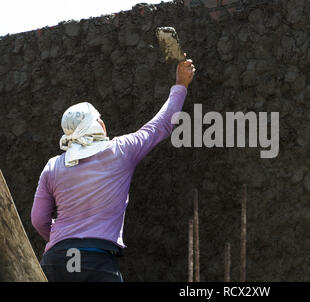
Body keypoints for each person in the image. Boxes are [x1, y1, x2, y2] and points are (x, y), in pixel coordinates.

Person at [31, 56, 195, 282]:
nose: (103, 122)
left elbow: (38, 219)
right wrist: (180, 85)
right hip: (97, 263)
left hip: (56, 262)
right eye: (100, 119)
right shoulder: (120, 151)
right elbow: (162, 124)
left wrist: (64, 238)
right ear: (95, 125)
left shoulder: (53, 166)